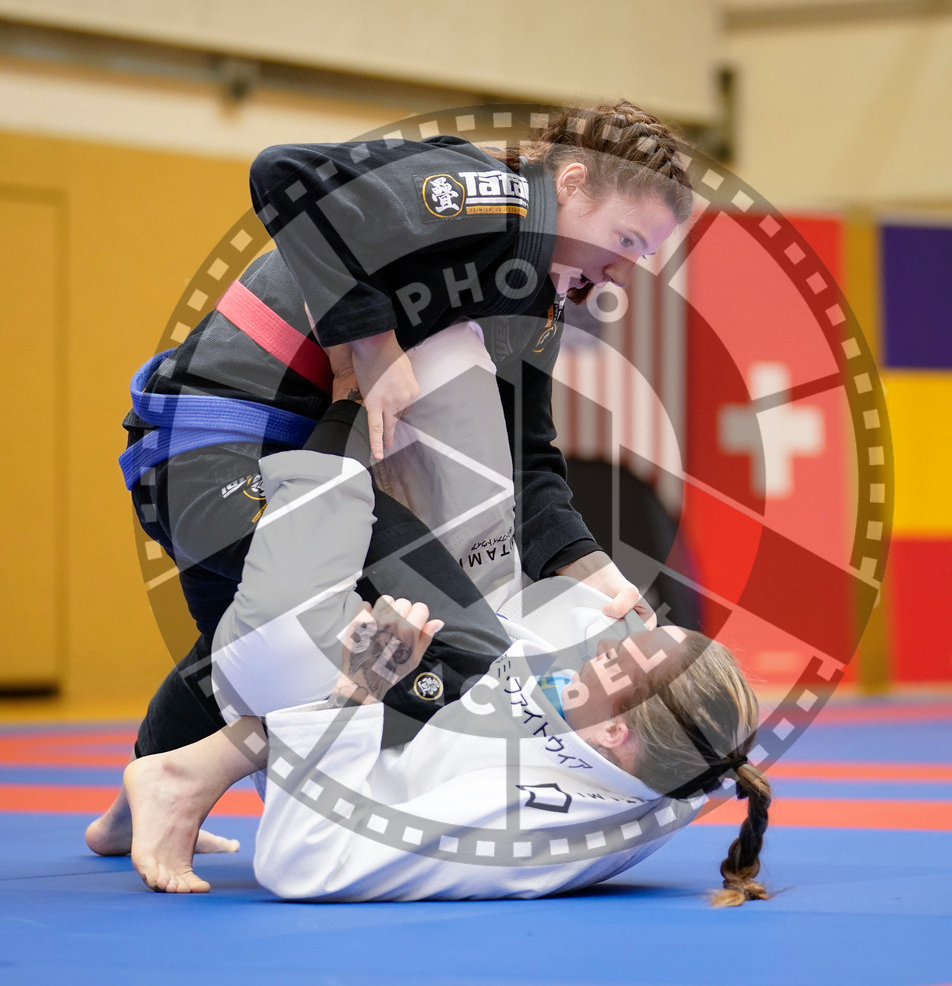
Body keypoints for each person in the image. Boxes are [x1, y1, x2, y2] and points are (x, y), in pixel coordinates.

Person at [89, 99, 694, 855]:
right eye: (624, 239)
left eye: (642, 256)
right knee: (447, 647)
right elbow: (286, 171)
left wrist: (594, 573)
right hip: (212, 460)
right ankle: (181, 780)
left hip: (284, 468)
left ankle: (140, 801)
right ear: (569, 184)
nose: (622, 270)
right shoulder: (499, 199)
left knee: (264, 648)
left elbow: (529, 461)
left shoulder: (532, 302)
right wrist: (374, 346)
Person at [122, 398, 772, 905]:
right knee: (441, 379)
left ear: (614, 734)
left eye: (613, 659)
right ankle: (171, 779)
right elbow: (663, 709)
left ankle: (182, 774)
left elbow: (302, 863)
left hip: (339, 726)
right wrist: (584, 572)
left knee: (282, 617)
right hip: (426, 696)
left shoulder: (526, 822)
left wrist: (357, 691)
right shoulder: (675, 749)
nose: (609, 644)